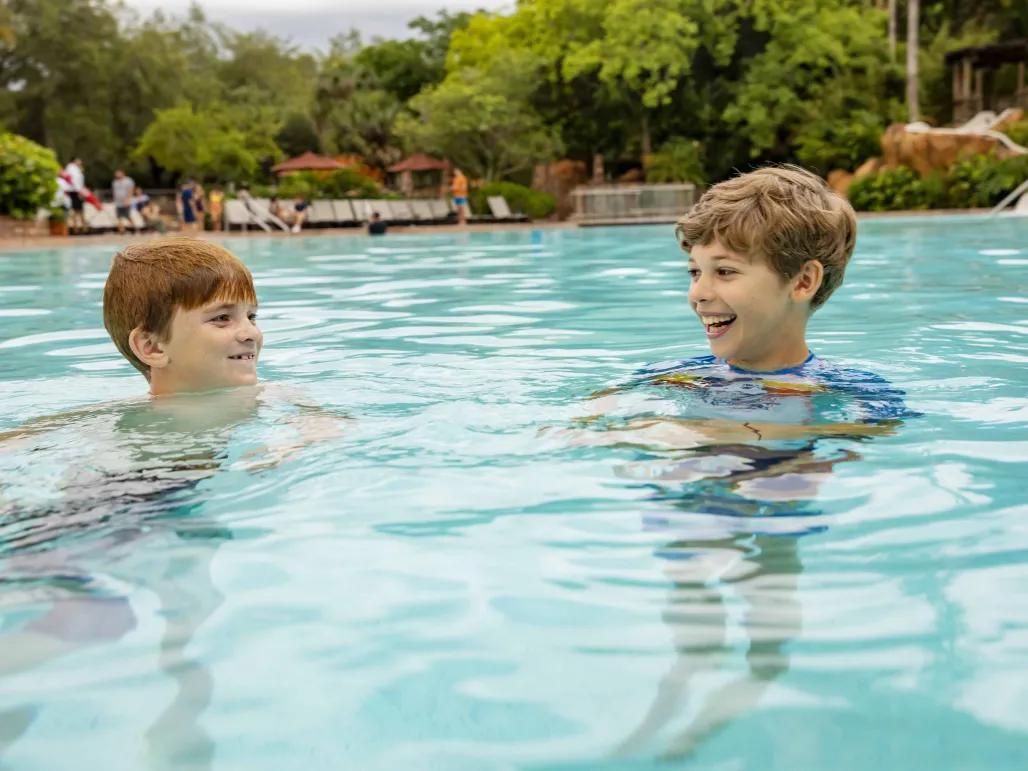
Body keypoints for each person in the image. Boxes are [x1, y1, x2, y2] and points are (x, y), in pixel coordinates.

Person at [63, 158, 86, 234]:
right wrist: (79, 192)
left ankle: (80, 227)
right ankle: (77, 228)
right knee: (77, 210)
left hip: (77, 191)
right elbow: (75, 182)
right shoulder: (72, 168)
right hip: (75, 191)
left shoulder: (77, 170)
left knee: (79, 210)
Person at [111, 169, 136, 234]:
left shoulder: (128, 180)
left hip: (126, 201)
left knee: (127, 216)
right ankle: (122, 230)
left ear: (122, 173)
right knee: (119, 217)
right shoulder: (115, 182)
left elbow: (131, 190)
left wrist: (128, 199)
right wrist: (114, 199)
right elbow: (114, 191)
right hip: (118, 202)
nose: (117, 175)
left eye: (118, 173)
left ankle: (133, 227)